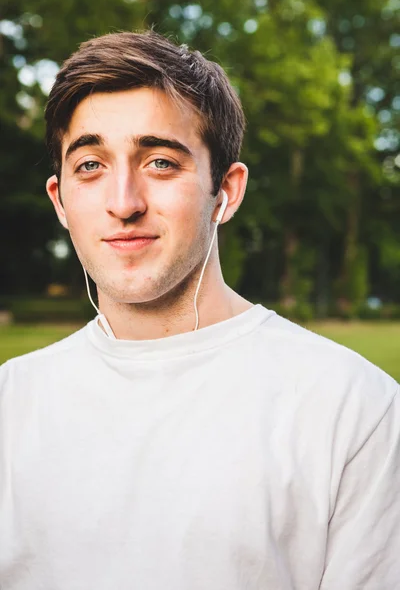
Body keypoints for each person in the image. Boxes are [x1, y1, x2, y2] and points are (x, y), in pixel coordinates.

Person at [0, 31, 399, 590]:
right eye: (90, 165)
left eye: (160, 162)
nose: (123, 202)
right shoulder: (10, 405)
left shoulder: (353, 410)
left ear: (226, 193)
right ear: (60, 200)